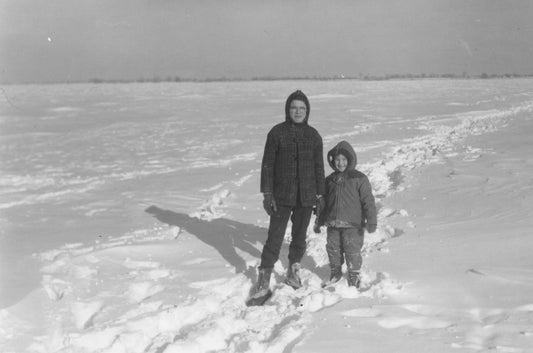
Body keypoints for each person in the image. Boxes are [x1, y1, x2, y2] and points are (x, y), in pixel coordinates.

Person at [249, 90, 325, 302]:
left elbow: (319, 168)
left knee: (299, 236)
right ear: (287, 110)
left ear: (307, 111)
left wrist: (320, 196)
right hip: (281, 195)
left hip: (306, 196)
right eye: (294, 108)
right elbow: (268, 165)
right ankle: (264, 276)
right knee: (275, 237)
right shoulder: (277, 133)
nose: (298, 112)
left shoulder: (313, 135)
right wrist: (267, 193)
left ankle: (294, 269)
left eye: (302, 108)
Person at [314, 140, 377, 288]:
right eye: (337, 160)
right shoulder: (329, 180)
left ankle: (353, 274)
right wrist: (319, 221)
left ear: (350, 160)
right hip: (333, 223)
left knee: (352, 249)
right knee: (333, 248)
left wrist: (372, 221)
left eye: (343, 159)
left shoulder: (359, 178)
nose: (340, 163)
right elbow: (323, 203)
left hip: (353, 225)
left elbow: (368, 201)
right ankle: (335, 272)